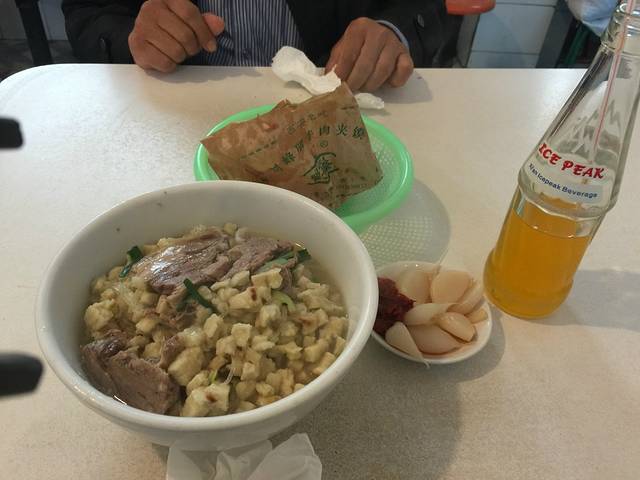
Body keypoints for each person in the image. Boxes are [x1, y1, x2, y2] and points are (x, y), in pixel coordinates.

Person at [61, 0, 456, 92]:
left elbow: (424, 6)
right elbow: (89, 11)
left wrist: (389, 32)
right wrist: (134, 37)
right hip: (180, 100)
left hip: (330, 100)